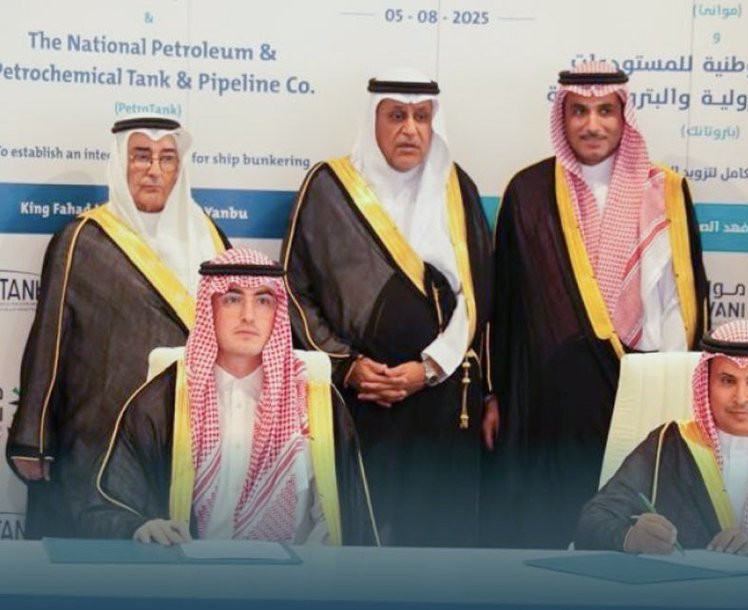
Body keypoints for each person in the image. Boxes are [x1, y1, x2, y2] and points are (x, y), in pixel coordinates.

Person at [488, 60, 708, 548]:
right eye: (579, 111)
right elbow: (504, 304)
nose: (593, 125)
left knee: (630, 521)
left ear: (624, 116)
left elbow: (688, 296)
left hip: (639, 388)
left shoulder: (665, 190)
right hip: (551, 401)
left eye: (606, 111)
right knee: (552, 523)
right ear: (562, 117)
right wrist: (493, 393)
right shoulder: (529, 190)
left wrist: (680, 388)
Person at [282, 68, 493, 547]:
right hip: (361, 398)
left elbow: (478, 295)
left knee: (438, 547)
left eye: (422, 117)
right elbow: (294, 292)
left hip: (441, 398)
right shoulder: (329, 186)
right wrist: (348, 365)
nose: (410, 130)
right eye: (396, 116)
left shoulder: (456, 188)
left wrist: (430, 367)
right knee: (361, 542)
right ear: (372, 120)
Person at [6, 116, 228, 538]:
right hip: (97, 431)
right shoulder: (83, 238)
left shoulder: (210, 238)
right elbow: (49, 342)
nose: (154, 170)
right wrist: (32, 438)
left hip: (185, 434)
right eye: (141, 156)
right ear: (120, 162)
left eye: (167, 158)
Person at [84, 249, 377, 546]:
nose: (248, 315)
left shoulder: (317, 401)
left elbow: (349, 518)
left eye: (263, 300)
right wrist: (142, 527)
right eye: (232, 299)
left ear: (277, 312)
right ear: (209, 308)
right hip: (189, 570)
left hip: (298, 571)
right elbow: (109, 504)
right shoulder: (164, 400)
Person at [576, 320, 748, 558]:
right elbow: (591, 522)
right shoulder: (672, 444)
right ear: (707, 384)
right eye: (727, 381)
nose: (740, 397)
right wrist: (629, 537)